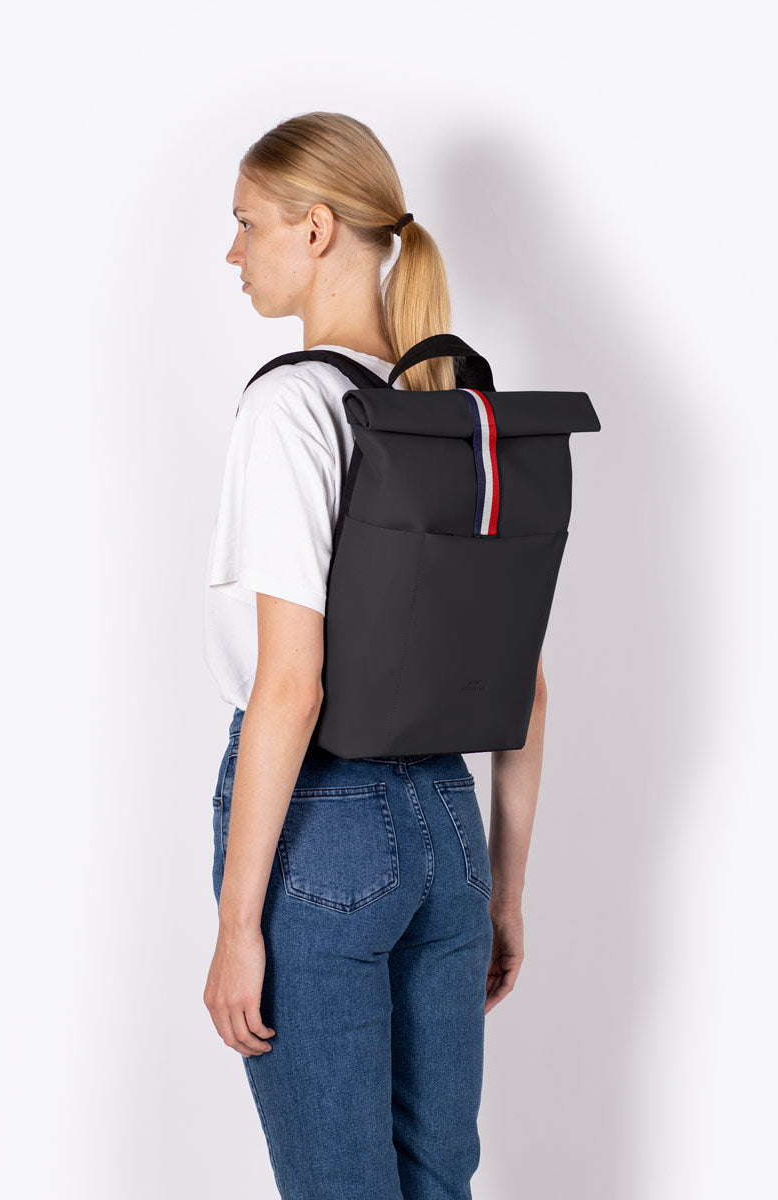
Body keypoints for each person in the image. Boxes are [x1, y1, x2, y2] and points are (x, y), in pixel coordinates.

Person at [202, 111, 546, 1200]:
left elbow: (290, 686)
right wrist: (502, 893)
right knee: (438, 1183)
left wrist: (238, 925)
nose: (232, 252)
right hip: (449, 829)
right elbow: (525, 685)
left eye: (247, 223)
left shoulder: (291, 408)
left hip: (325, 831)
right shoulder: (452, 413)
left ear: (314, 229)